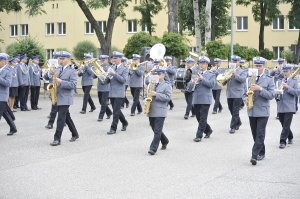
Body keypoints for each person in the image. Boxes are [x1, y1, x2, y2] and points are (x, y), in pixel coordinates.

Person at [248, 57, 275, 166]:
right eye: (256, 65)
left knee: (260, 133)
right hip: (252, 110)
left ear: (264, 66)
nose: (258, 68)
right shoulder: (249, 78)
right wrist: (246, 95)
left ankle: (254, 156)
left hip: (263, 111)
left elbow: (272, 95)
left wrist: (260, 89)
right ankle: (261, 151)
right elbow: (244, 92)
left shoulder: (269, 79)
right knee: (255, 134)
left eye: (260, 66)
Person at [50, 51, 79, 146]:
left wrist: (61, 81)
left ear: (68, 60)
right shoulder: (57, 69)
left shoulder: (72, 71)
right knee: (66, 117)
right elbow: (49, 78)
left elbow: (73, 85)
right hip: (57, 96)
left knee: (61, 118)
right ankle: (75, 134)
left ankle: (57, 138)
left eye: (62, 59)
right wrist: (48, 73)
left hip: (66, 97)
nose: (60, 60)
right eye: (59, 58)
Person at [188, 56, 215, 142]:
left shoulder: (211, 75)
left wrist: (202, 79)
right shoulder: (195, 74)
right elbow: (189, 88)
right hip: (196, 99)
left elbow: (211, 85)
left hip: (205, 99)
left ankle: (198, 135)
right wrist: (192, 83)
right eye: (200, 63)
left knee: (203, 118)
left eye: (203, 63)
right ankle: (208, 130)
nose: (201, 65)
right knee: (199, 118)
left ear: (207, 64)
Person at [147, 66, 172, 155]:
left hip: (160, 111)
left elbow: (168, 97)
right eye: (156, 73)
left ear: (163, 75)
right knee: (154, 128)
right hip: (151, 109)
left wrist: (156, 94)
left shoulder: (167, 85)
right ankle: (165, 140)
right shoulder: (152, 84)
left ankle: (153, 149)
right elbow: (148, 94)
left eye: (159, 74)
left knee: (157, 130)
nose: (157, 75)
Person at [275, 64, 300, 149]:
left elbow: (297, 93)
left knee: (286, 124)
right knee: (283, 123)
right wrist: (277, 92)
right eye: (284, 71)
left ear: (290, 71)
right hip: (281, 105)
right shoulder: (280, 80)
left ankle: (282, 141)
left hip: (289, 106)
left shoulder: (294, 81)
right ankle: (290, 136)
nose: (285, 73)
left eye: (287, 71)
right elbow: (276, 92)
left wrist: (287, 87)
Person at [107, 51, 129, 135]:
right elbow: (108, 80)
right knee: (116, 110)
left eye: (115, 58)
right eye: (113, 58)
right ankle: (125, 122)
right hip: (112, 92)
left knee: (116, 112)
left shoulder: (125, 68)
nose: (114, 59)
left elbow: (123, 80)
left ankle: (113, 128)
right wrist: (104, 76)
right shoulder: (112, 67)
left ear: (120, 58)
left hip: (119, 93)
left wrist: (114, 74)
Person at [226, 55, 248, 134]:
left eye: (236, 61)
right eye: (233, 61)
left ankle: (232, 127)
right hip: (229, 93)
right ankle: (238, 122)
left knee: (235, 110)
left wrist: (235, 74)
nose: (234, 63)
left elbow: (243, 80)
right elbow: (225, 80)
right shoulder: (228, 70)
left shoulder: (243, 71)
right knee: (231, 109)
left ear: (239, 62)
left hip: (238, 93)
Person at [0, 53, 18, 136]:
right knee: (5, 113)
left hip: (2, 96)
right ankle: (13, 128)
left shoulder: (8, 71)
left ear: (4, 61)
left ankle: (13, 127)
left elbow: (8, 83)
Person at [96, 55, 112, 121]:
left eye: (103, 60)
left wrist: (103, 74)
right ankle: (109, 112)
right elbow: (94, 76)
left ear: (107, 60)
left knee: (103, 102)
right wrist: (95, 69)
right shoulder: (98, 67)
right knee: (101, 102)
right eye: (101, 60)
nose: (102, 61)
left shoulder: (109, 68)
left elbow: (110, 78)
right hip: (99, 87)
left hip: (106, 87)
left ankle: (101, 116)